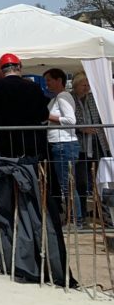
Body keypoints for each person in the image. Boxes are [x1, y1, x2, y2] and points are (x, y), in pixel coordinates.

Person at [0, 53, 49, 159]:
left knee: (6, 170)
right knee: (29, 171)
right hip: (30, 139)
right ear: (19, 66)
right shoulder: (33, 86)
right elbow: (44, 115)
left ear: (2, 69)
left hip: (4, 139)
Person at [71, 72, 111, 225]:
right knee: (81, 182)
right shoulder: (71, 98)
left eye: (88, 85)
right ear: (76, 86)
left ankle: (104, 214)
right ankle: (81, 216)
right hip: (80, 145)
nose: (86, 88)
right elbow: (70, 121)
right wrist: (82, 128)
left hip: (97, 144)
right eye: (83, 85)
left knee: (100, 180)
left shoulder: (93, 99)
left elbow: (100, 119)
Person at [43, 68, 81, 226]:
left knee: (68, 185)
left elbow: (71, 120)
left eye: (49, 81)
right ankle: (73, 218)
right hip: (60, 144)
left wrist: (47, 116)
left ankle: (76, 220)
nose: (47, 85)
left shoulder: (63, 96)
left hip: (64, 144)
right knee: (66, 184)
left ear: (59, 80)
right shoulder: (57, 98)